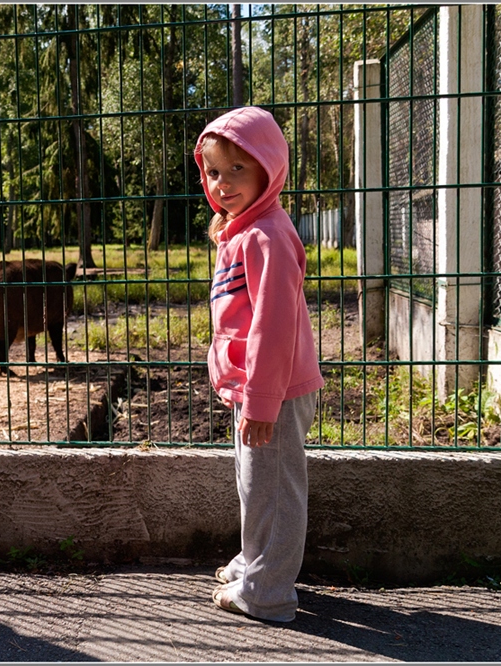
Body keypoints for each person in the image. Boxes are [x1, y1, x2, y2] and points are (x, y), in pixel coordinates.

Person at [194, 106, 324, 623]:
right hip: (257, 389)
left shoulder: (267, 234)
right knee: (257, 483)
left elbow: (274, 327)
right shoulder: (244, 230)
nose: (222, 184)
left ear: (269, 169)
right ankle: (256, 562)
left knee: (273, 486)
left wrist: (263, 402)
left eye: (237, 170)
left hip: (275, 390)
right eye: (213, 172)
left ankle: (268, 592)